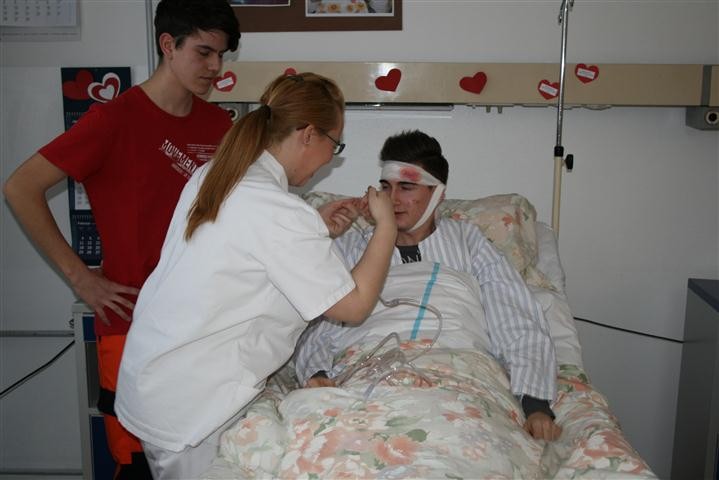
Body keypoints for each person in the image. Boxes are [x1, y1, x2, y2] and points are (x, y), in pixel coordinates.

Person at [114, 72, 397, 479]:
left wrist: (315, 225)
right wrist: (386, 227)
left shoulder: (216, 175)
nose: (330, 159)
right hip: (192, 405)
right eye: (334, 145)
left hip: (157, 377)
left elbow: (242, 250)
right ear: (308, 134)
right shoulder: (277, 209)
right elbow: (353, 306)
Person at [2, 1, 240, 476]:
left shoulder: (219, 127)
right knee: (137, 465)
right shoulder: (113, 120)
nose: (215, 67)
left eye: (222, 54)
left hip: (201, 326)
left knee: (203, 462)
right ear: (167, 45)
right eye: (204, 52)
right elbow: (20, 188)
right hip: (131, 323)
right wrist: (80, 279)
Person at [294, 129, 563, 442]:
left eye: (406, 187)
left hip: (460, 372)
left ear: (438, 193)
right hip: (369, 367)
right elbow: (317, 321)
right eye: (385, 187)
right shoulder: (353, 246)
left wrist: (535, 405)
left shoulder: (469, 243)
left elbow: (515, 316)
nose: (392, 199)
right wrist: (318, 373)